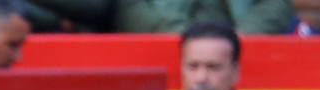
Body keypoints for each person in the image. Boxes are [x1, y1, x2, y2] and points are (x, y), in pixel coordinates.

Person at [113, 0, 293, 35]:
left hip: (242, 51)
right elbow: (130, 7)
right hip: (162, 47)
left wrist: (242, 34)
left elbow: (276, 4)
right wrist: (189, 39)